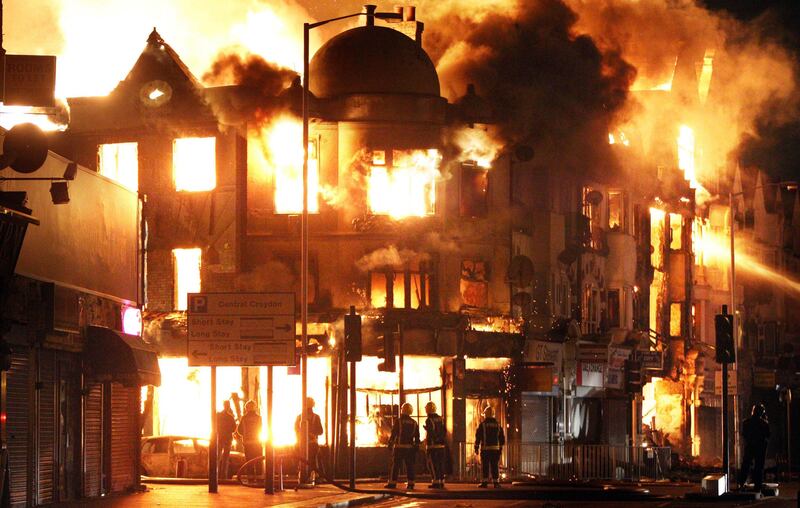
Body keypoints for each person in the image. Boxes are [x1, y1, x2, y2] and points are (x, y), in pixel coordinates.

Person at [385, 402, 420, 490]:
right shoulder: (414, 422)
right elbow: (417, 436)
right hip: (410, 448)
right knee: (410, 466)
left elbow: (394, 433)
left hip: (399, 448)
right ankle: (411, 484)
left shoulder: (398, 421)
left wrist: (390, 443)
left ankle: (392, 483)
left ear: (402, 410)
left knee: (395, 466)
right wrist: (416, 446)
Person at [738, 403, 770, 491]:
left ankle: (741, 483)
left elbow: (744, 434)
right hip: (760, 447)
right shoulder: (764, 423)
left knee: (746, 465)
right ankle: (757, 486)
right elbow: (768, 435)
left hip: (750, 446)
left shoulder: (746, 422)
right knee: (759, 467)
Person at [294, 397, 324, 485]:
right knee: (312, 459)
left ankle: (310, 474)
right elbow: (320, 431)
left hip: (308, 444)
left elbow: (296, 429)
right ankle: (315, 475)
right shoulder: (314, 417)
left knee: (307, 459)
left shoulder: (300, 417)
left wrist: (309, 434)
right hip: (307, 444)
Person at [474, 405, 505, 488]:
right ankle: (496, 483)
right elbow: (502, 438)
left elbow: (478, 437)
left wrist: (476, 447)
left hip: (485, 449)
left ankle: (485, 483)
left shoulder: (482, 425)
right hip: (496, 449)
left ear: (486, 414)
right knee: (495, 466)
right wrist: (500, 448)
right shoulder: (498, 425)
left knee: (485, 466)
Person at [423, 401, 447, 489]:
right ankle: (441, 481)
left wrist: (428, 431)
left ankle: (436, 482)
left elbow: (431, 432)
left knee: (433, 464)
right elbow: (444, 431)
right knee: (440, 464)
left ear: (428, 409)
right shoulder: (440, 419)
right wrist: (441, 439)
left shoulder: (429, 420)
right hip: (441, 446)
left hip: (433, 446)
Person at [236, 400, 262, 478]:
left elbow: (239, 430)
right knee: (258, 460)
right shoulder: (258, 418)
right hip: (257, 442)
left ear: (246, 408)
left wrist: (244, 435)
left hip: (247, 443)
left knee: (249, 461)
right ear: (255, 407)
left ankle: (250, 478)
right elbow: (260, 429)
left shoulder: (244, 418)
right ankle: (258, 477)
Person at [216, 400, 237, 479]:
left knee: (217, 458)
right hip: (227, 439)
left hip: (219, 438)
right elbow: (234, 429)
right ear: (228, 406)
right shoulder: (230, 417)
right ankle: (223, 476)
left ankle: (216, 475)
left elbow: (215, 425)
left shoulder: (218, 415)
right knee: (225, 459)